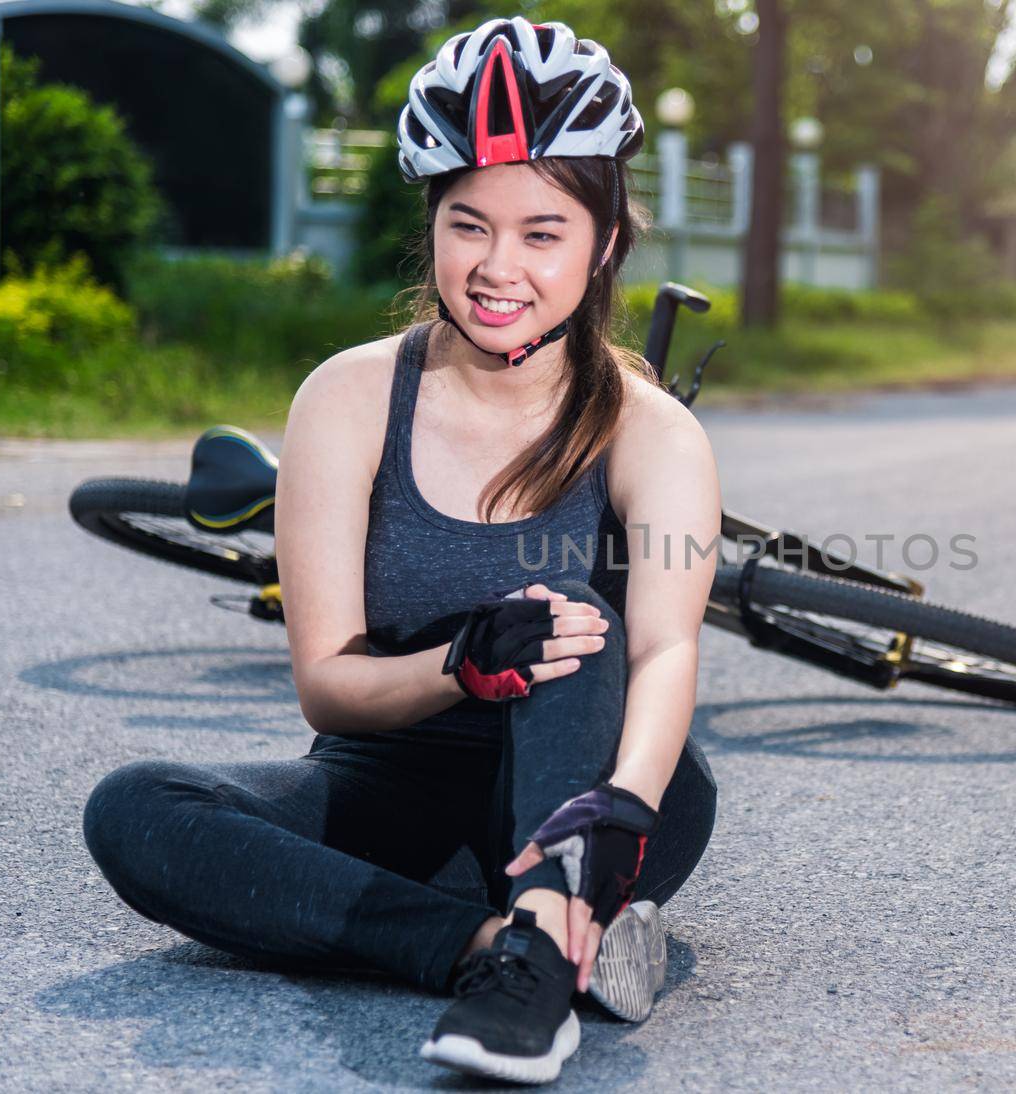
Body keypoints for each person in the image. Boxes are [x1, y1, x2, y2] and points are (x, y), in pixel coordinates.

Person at [80, 15, 720, 1086]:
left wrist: (623, 805)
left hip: (598, 785)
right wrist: (461, 663)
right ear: (431, 225)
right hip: (388, 787)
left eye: (541, 232)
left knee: (576, 612)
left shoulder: (651, 430)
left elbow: (661, 653)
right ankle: (510, 951)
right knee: (135, 808)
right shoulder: (347, 397)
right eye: (468, 225)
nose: (497, 266)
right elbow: (327, 687)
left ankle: (541, 932)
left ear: (606, 241)